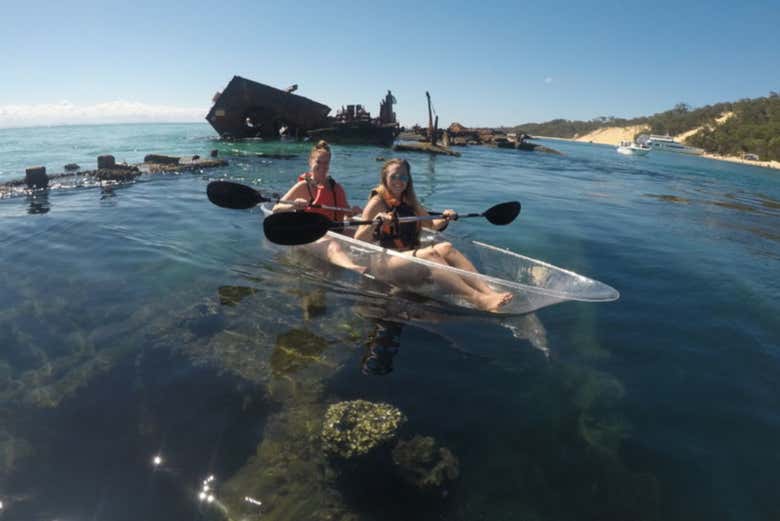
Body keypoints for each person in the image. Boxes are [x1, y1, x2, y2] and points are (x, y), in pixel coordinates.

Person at [355, 159, 513, 312]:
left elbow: (431, 226)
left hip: (407, 256)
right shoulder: (377, 202)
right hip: (385, 262)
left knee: (446, 248)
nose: (399, 180)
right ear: (385, 178)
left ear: (408, 180)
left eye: (403, 176)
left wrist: (445, 219)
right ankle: (477, 299)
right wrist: (377, 221)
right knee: (430, 254)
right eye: (394, 176)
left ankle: (488, 292)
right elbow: (358, 240)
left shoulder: (410, 201)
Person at [273, 140, 365, 273]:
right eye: (318, 162)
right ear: (310, 162)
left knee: (362, 236)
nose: (322, 166)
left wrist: (353, 212)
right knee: (333, 246)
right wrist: (292, 206)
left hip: (335, 230)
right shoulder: (304, 186)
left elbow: (345, 214)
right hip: (311, 233)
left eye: (326, 163)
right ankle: (355, 269)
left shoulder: (336, 188)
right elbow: (276, 208)